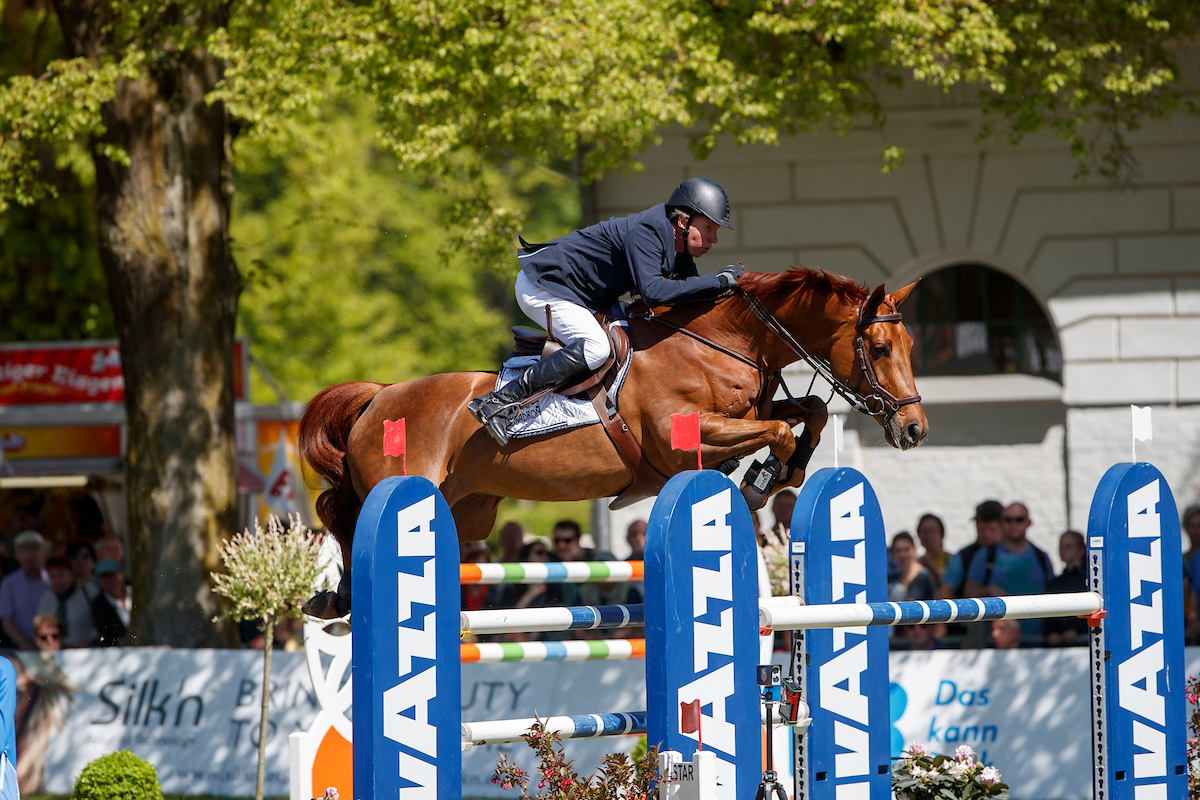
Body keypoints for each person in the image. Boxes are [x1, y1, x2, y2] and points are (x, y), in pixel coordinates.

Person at [468, 177, 741, 446]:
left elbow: (685, 296)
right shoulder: (649, 229)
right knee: (596, 348)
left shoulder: (679, 248)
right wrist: (717, 281)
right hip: (544, 286)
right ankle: (500, 401)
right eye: (708, 229)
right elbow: (654, 292)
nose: (713, 239)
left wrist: (733, 290)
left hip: (583, 296)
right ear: (683, 222)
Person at [963, 503, 1054, 639]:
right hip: (996, 642)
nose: (1013, 524)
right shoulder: (985, 555)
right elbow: (968, 592)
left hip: (1039, 641)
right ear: (1001, 522)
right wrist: (989, 590)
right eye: (1008, 519)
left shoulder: (1041, 556)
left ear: (1028, 523)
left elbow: (1053, 593)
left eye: (1019, 519)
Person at [0, 531, 51, 651]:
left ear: (43, 552)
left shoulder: (53, 579)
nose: (30, 554)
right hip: (20, 649)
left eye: (35, 548)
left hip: (51, 646)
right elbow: (6, 620)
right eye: (24, 549)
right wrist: (23, 642)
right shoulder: (9, 583)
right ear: (16, 554)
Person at [35, 556, 97, 648]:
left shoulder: (89, 592)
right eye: (53, 577)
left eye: (61, 574)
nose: (57, 580)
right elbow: (39, 630)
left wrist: (89, 641)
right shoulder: (46, 600)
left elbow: (102, 623)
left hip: (87, 650)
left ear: (72, 574)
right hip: (58, 653)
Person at [1044, 530, 1088, 647]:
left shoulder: (1088, 581)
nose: (1062, 550)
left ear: (1081, 550)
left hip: (1083, 644)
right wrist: (1051, 632)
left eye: (1068, 547)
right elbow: (1049, 611)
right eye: (1061, 546)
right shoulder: (1055, 582)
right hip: (1059, 644)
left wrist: (1078, 630)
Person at [888, 532, 937, 602]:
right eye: (898, 551)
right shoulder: (897, 576)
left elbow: (910, 605)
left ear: (914, 549)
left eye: (906, 550)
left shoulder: (922, 576)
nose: (902, 554)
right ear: (892, 554)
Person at [91, 558, 130, 646]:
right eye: (104, 577)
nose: (108, 580)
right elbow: (104, 633)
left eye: (112, 575)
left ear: (121, 575)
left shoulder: (135, 594)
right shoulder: (99, 604)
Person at [916, 513, 949, 582]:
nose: (928, 535)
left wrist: (935, 571)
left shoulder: (952, 560)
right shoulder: (916, 563)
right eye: (924, 531)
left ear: (941, 534)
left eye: (932, 531)